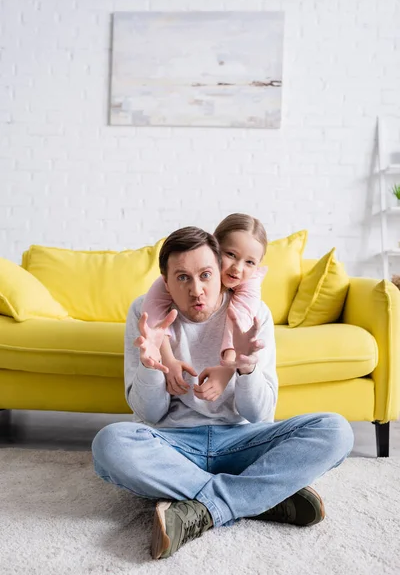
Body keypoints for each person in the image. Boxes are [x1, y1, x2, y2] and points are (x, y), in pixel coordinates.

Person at [92, 225, 354, 560]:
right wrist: (152, 366)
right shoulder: (146, 315)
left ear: (221, 273)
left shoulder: (253, 313)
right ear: (165, 282)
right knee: (109, 444)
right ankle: (260, 498)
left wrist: (246, 369)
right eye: (183, 278)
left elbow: (260, 414)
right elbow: (150, 413)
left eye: (205, 275)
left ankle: (201, 505)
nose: (197, 290)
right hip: (174, 444)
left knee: (335, 430)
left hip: (243, 441)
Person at [141, 213, 268, 401]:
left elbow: (239, 321)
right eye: (231, 255)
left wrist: (228, 368)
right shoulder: (169, 280)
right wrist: (167, 360)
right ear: (214, 249)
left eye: (249, 262)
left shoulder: (250, 288)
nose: (237, 269)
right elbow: (153, 321)